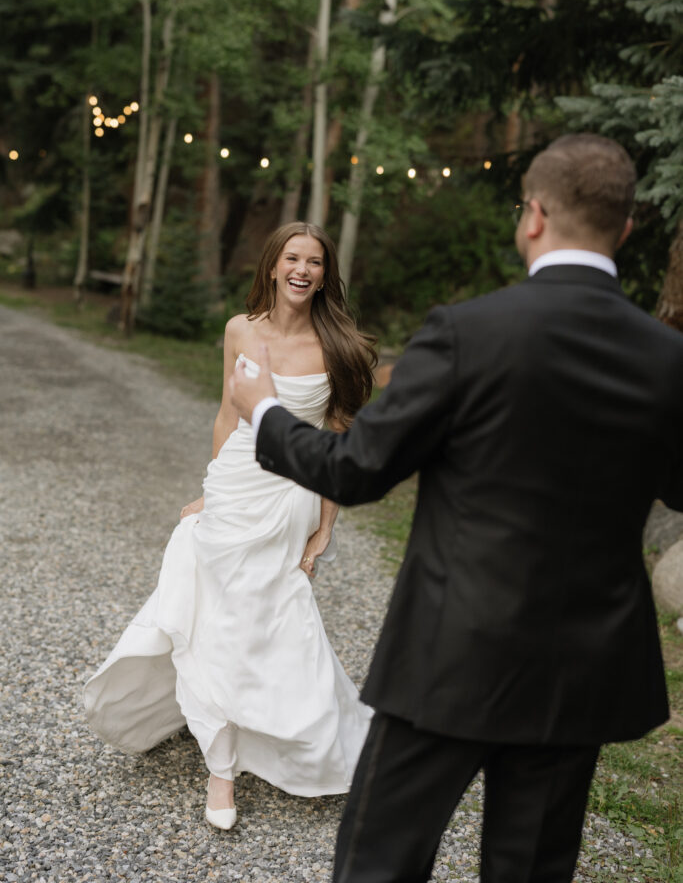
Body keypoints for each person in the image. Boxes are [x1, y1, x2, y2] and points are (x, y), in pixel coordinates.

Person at [230, 134, 683, 883]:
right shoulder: (666, 360)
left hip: (451, 653)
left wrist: (266, 413)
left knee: (381, 863)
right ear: (626, 229)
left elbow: (354, 470)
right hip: (582, 668)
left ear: (532, 217)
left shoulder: (466, 332)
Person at [84, 222, 377, 831]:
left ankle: (292, 734)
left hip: (289, 493)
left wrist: (326, 528)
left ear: (326, 274)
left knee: (267, 614)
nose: (303, 269)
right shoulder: (239, 330)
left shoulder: (337, 344)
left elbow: (337, 440)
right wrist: (210, 487)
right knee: (214, 613)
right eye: (292, 258)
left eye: (315, 262)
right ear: (272, 266)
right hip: (235, 485)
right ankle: (221, 762)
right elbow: (227, 412)